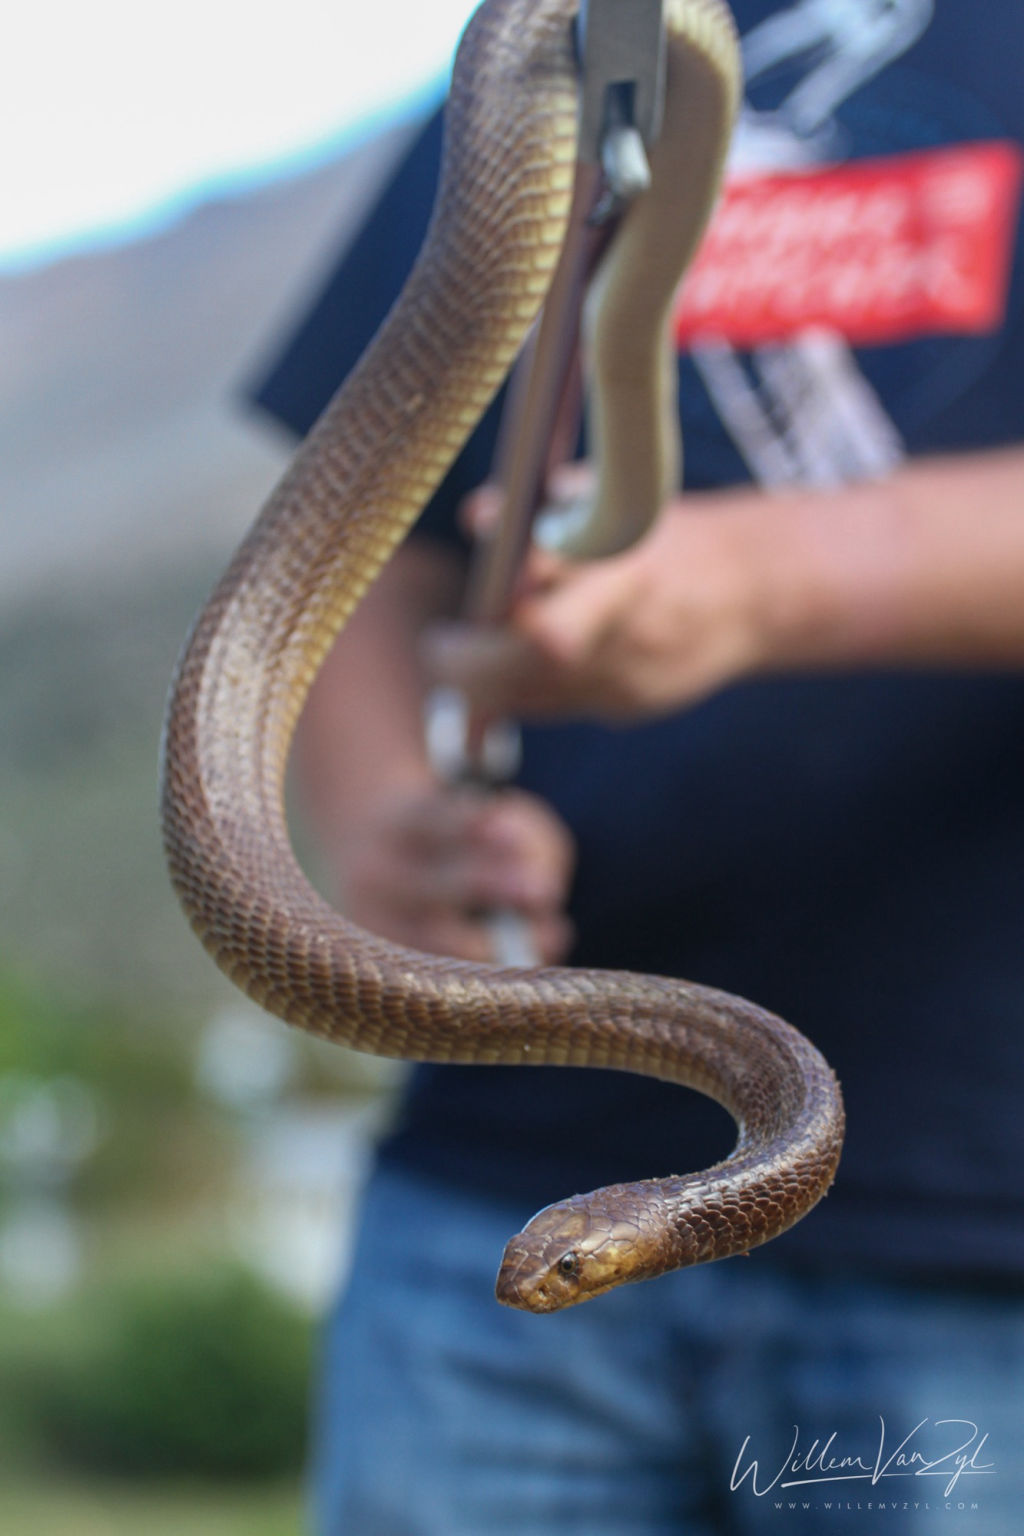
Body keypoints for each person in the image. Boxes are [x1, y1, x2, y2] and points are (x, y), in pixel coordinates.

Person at [250, 2, 1024, 1530]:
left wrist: (762, 584)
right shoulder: (577, 46)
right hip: (491, 1159)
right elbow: (355, 536)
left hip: (986, 1228)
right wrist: (380, 818)